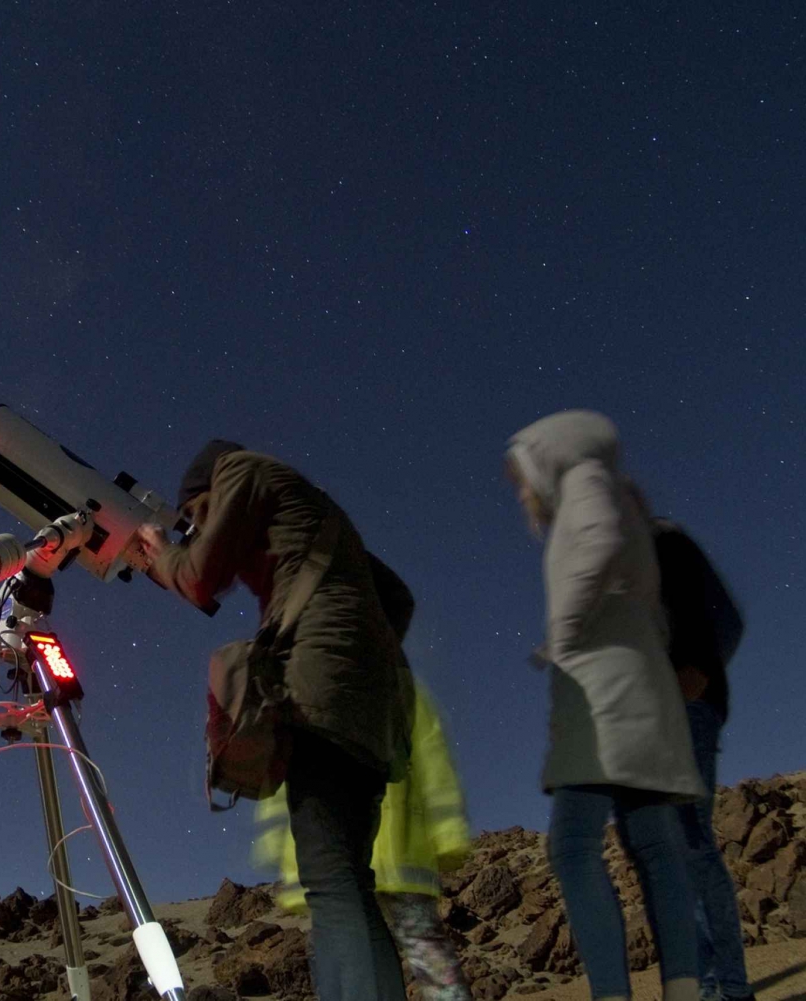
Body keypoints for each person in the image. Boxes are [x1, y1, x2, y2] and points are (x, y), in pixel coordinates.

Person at [137, 439, 413, 1001]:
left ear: (209, 491)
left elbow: (197, 576)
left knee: (332, 882)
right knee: (344, 879)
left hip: (321, 701)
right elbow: (398, 599)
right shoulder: (318, 515)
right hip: (370, 708)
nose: (197, 528)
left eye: (196, 516)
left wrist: (158, 550)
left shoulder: (242, 470)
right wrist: (353, 653)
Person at [504, 410, 705, 1001]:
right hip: (639, 681)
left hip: (603, 692)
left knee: (572, 845)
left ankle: (612, 995)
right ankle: (685, 991)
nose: (521, 490)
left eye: (521, 474)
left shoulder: (583, 483)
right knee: (652, 843)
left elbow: (597, 540)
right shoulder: (623, 494)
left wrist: (563, 636)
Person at [255, 678, 474, 1001]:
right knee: (363, 956)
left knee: (379, 954)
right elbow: (283, 787)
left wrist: (447, 830)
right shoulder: (390, 684)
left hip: (391, 858)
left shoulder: (309, 693)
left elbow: (432, 760)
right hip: (381, 858)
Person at [651, 519, 754, 1001]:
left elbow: (727, 622)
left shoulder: (661, 541)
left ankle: (727, 990)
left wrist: (698, 669)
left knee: (689, 844)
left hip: (684, 709)